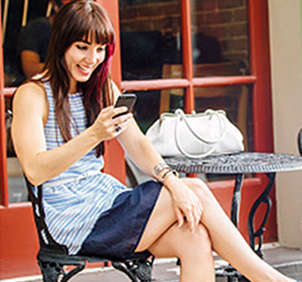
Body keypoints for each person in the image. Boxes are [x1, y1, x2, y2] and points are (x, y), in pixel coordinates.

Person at [11, 1, 298, 281]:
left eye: (100, 49)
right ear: (61, 44)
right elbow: (36, 170)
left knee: (194, 237)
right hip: (72, 219)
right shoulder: (33, 94)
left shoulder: (102, 90)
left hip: (107, 202)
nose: (92, 59)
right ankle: (267, 279)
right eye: (82, 48)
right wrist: (94, 135)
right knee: (196, 188)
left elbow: (137, 145)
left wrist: (172, 182)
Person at [16, 0, 62, 84]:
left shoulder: (84, 30)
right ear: (55, 5)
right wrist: (67, 66)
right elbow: (30, 69)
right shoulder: (37, 28)